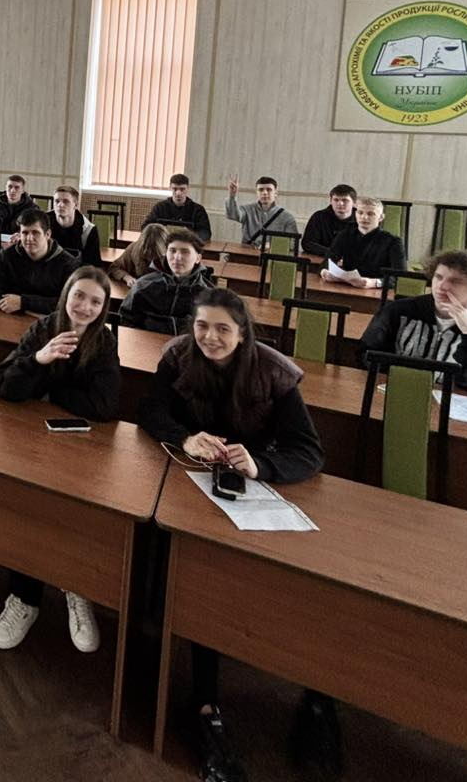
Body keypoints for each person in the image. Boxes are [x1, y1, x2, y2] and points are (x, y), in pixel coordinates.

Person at [136, 289, 332, 782]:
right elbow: (152, 411)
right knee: (191, 567)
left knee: (257, 582)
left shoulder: (273, 372)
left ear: (242, 333)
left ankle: (314, 692)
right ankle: (200, 694)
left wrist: (260, 464)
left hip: (250, 492)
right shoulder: (178, 357)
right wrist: (186, 437)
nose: (210, 337)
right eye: (202, 326)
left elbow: (308, 451)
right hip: (187, 487)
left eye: (223, 328)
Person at [0, 266, 120, 655]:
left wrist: (50, 392)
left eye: (95, 301)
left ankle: (75, 588)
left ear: (103, 308)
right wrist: (39, 359)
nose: (85, 307)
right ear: (66, 295)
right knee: (28, 505)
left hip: (83, 450)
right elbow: (3, 386)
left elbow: (105, 406)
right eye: (79, 296)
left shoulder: (104, 341)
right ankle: (24, 598)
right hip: (35, 443)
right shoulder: (44, 328)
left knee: (76, 510)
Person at [360, 250, 467, 393]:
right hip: (397, 393)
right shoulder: (397, 311)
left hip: (452, 403)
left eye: (455, 281)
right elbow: (366, 354)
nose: (442, 286)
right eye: (438, 277)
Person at [0, 207, 77, 314]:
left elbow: (70, 303)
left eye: (35, 232)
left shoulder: (68, 263)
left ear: (47, 234)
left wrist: (23, 302)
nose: (29, 238)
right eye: (25, 233)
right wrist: (10, 302)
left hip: (47, 320)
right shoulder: (6, 255)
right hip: (11, 316)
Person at [119, 228, 216, 333]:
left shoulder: (209, 295)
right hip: (145, 340)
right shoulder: (143, 285)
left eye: (185, 252)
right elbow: (125, 319)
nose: (177, 257)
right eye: (172, 251)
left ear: (198, 258)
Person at [321, 197, 407, 289]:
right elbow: (328, 261)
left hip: (376, 291)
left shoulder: (393, 242)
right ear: (355, 214)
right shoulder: (344, 235)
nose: (364, 217)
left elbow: (400, 277)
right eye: (360, 212)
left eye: (370, 214)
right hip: (346, 286)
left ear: (381, 217)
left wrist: (375, 283)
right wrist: (325, 271)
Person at [225, 174, 299, 246]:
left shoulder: (287, 217)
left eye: (269, 190)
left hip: (272, 253)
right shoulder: (247, 210)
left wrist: (272, 246)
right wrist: (232, 196)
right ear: (257, 192)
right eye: (261, 190)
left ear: (276, 193)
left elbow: (293, 243)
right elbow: (232, 215)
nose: (264, 193)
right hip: (248, 252)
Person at [144, 173, 212, 245]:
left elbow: (206, 233)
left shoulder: (198, 210)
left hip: (188, 245)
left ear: (188, 188)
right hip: (163, 245)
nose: (178, 193)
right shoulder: (159, 207)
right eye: (175, 189)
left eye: (182, 189)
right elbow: (146, 226)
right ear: (170, 188)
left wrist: (188, 236)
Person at [45, 184, 102, 266]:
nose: (60, 205)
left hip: (76, 271)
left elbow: (92, 264)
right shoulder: (42, 224)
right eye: (57, 201)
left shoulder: (88, 230)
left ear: (75, 205)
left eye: (66, 201)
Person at [302, 184, 358, 257]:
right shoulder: (319, 217)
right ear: (331, 201)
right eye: (336, 200)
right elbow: (307, 243)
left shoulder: (362, 220)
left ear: (354, 202)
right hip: (322, 259)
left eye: (345, 200)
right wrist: (332, 254)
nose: (340, 203)